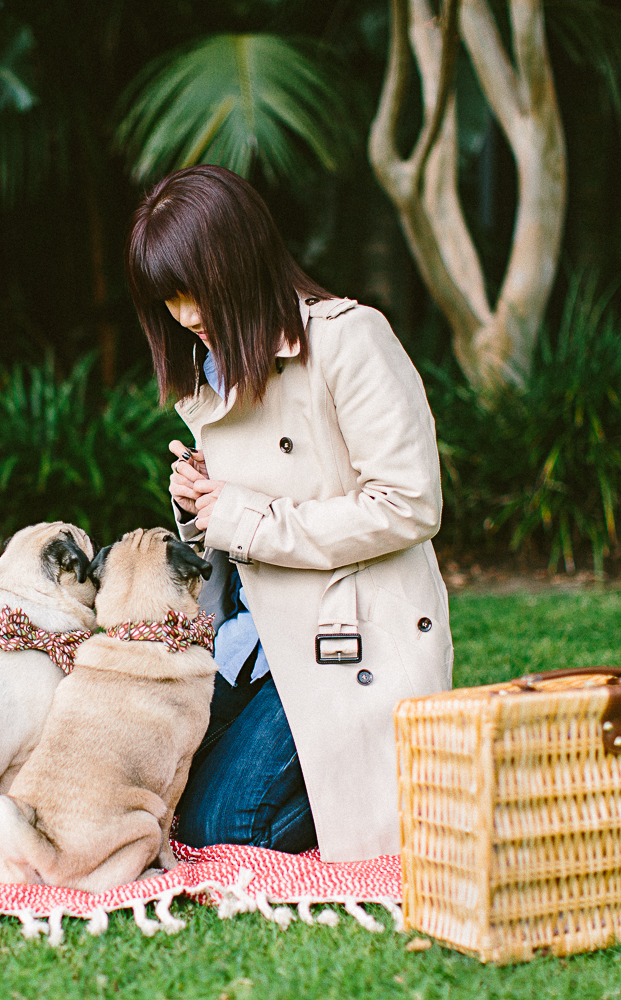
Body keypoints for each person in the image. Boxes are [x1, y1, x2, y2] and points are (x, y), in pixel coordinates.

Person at [124, 164, 452, 862]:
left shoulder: (348, 339)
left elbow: (409, 503)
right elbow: (251, 517)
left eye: (192, 292)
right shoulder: (211, 369)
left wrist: (242, 513)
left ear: (241, 263)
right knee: (156, 790)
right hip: (253, 638)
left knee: (228, 832)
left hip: (345, 637)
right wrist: (199, 501)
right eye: (168, 299)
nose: (184, 316)